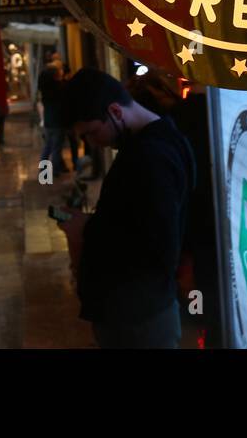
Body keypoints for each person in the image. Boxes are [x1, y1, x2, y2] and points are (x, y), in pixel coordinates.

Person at [55, 68, 195, 349]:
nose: (92, 143)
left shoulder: (151, 157)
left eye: (92, 132)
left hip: (140, 320)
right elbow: (137, 221)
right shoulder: (150, 143)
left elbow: (157, 248)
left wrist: (88, 229)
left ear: (116, 111)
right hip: (134, 314)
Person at [37, 56, 68, 173]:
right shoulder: (58, 89)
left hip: (48, 122)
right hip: (57, 122)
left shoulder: (45, 91)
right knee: (56, 148)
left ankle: (44, 172)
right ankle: (55, 171)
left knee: (48, 147)